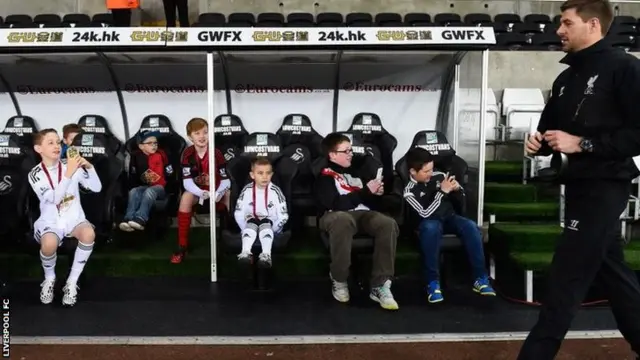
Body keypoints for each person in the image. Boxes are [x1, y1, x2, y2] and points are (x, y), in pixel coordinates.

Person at [519, 1, 640, 359]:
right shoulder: (565, 77)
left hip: (606, 185)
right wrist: (538, 143)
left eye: (566, 23)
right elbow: (549, 131)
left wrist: (582, 144)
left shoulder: (625, 68)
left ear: (592, 25)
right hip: (577, 185)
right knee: (614, 275)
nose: (559, 30)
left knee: (565, 278)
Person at [315, 132, 399, 311]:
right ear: (332, 154)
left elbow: (368, 203)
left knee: (387, 223)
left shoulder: (357, 173)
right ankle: (339, 278)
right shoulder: (324, 176)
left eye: (351, 150)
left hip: (362, 214)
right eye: (346, 151)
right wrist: (365, 192)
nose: (351, 153)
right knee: (343, 220)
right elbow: (337, 204)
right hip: (334, 215)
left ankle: (380, 285)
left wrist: (375, 194)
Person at [403, 147, 495, 304]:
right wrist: (442, 193)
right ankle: (432, 283)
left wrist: (458, 190)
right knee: (431, 227)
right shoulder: (409, 191)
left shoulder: (439, 176)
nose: (430, 174)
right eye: (426, 171)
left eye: (431, 169)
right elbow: (425, 214)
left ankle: (480, 278)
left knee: (470, 226)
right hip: (428, 223)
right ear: (412, 171)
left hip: (449, 217)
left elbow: (461, 198)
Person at [28, 129, 102, 306]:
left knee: (89, 234)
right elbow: (54, 198)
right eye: (50, 143)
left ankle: (71, 282)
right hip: (50, 222)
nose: (56, 146)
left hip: (74, 219)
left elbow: (97, 187)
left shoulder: (70, 165)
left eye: (58, 142)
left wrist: (89, 167)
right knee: (49, 244)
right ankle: (49, 279)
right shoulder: (35, 174)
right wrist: (69, 172)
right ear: (38, 148)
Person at [172, 117, 230, 264]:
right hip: (200, 194)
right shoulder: (187, 154)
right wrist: (200, 193)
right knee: (186, 197)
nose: (202, 136)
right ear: (190, 136)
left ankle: (237, 239)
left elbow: (226, 180)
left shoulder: (216, 153)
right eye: (197, 133)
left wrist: (219, 192)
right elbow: (187, 182)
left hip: (216, 194)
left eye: (205, 132)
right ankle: (182, 245)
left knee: (230, 195)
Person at [234, 157, 289, 268]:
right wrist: (244, 229)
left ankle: (266, 256)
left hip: (271, 227)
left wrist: (273, 230)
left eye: (268, 173)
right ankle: (245, 253)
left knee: (265, 223)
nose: (264, 177)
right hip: (250, 227)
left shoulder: (276, 191)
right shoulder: (247, 190)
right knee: (251, 222)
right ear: (252, 175)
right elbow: (238, 213)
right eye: (260, 173)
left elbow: (284, 216)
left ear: (272, 174)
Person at [119, 130, 173, 232]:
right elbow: (134, 177)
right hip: (147, 186)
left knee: (149, 191)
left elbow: (165, 176)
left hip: (161, 188)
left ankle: (141, 218)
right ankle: (129, 218)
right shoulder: (136, 156)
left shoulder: (160, 155)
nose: (154, 145)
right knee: (134, 191)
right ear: (141, 146)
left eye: (155, 143)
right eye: (149, 143)